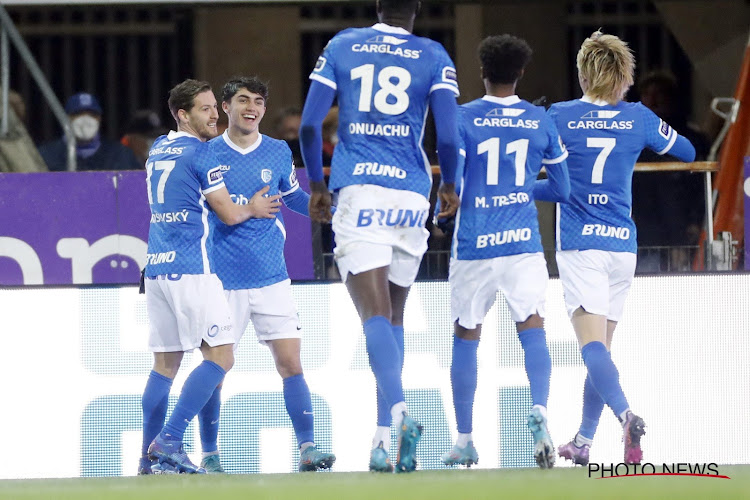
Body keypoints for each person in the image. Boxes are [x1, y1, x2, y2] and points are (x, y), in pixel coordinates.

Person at [299, 0, 461, 473]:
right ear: (415, 11)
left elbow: (310, 124)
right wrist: (448, 184)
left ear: (376, 6)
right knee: (393, 319)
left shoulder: (343, 45)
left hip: (360, 191)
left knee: (373, 317)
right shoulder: (434, 54)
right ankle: (381, 440)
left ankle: (399, 412)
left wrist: (316, 184)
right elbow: (448, 139)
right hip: (411, 195)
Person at [548, 31, 696, 466]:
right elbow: (687, 151)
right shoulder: (639, 117)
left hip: (580, 245)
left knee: (591, 347)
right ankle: (583, 440)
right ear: (625, 77)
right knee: (603, 351)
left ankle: (625, 414)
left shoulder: (558, 115)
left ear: (582, 73)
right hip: (621, 245)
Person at [440, 34, 570, 470]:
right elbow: (562, 188)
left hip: (475, 243)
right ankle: (540, 411)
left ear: (483, 72)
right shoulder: (540, 120)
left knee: (466, 334)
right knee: (533, 328)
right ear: (520, 73)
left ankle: (464, 439)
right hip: (522, 244)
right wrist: (518, 188)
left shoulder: (461, 118)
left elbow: (452, 184)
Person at [139, 79, 281, 475]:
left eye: (213, 107)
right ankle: (168, 440)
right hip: (191, 267)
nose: (214, 115)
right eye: (204, 109)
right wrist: (252, 206)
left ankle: (145, 463)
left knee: (164, 365)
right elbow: (229, 214)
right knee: (221, 355)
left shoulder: (157, 149)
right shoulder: (203, 155)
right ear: (182, 115)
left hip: (156, 267)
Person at [202, 76, 336, 473]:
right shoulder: (207, 154)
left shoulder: (278, 151)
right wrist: (249, 207)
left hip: (271, 276)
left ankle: (308, 448)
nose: (252, 108)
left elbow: (290, 194)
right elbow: (211, 207)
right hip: (222, 280)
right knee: (216, 370)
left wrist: (316, 206)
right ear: (225, 107)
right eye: (243, 100)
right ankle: (210, 454)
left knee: (291, 363)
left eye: (258, 101)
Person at [631, 71, 710, 271]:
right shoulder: (631, 139)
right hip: (641, 237)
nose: (653, 99)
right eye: (647, 93)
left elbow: (702, 186)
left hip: (686, 235)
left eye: (660, 93)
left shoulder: (692, 140)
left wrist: (694, 222)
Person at [38, 92, 141, 171]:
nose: (86, 120)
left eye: (92, 114)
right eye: (78, 114)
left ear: (100, 119)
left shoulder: (120, 155)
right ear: (66, 119)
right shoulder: (46, 156)